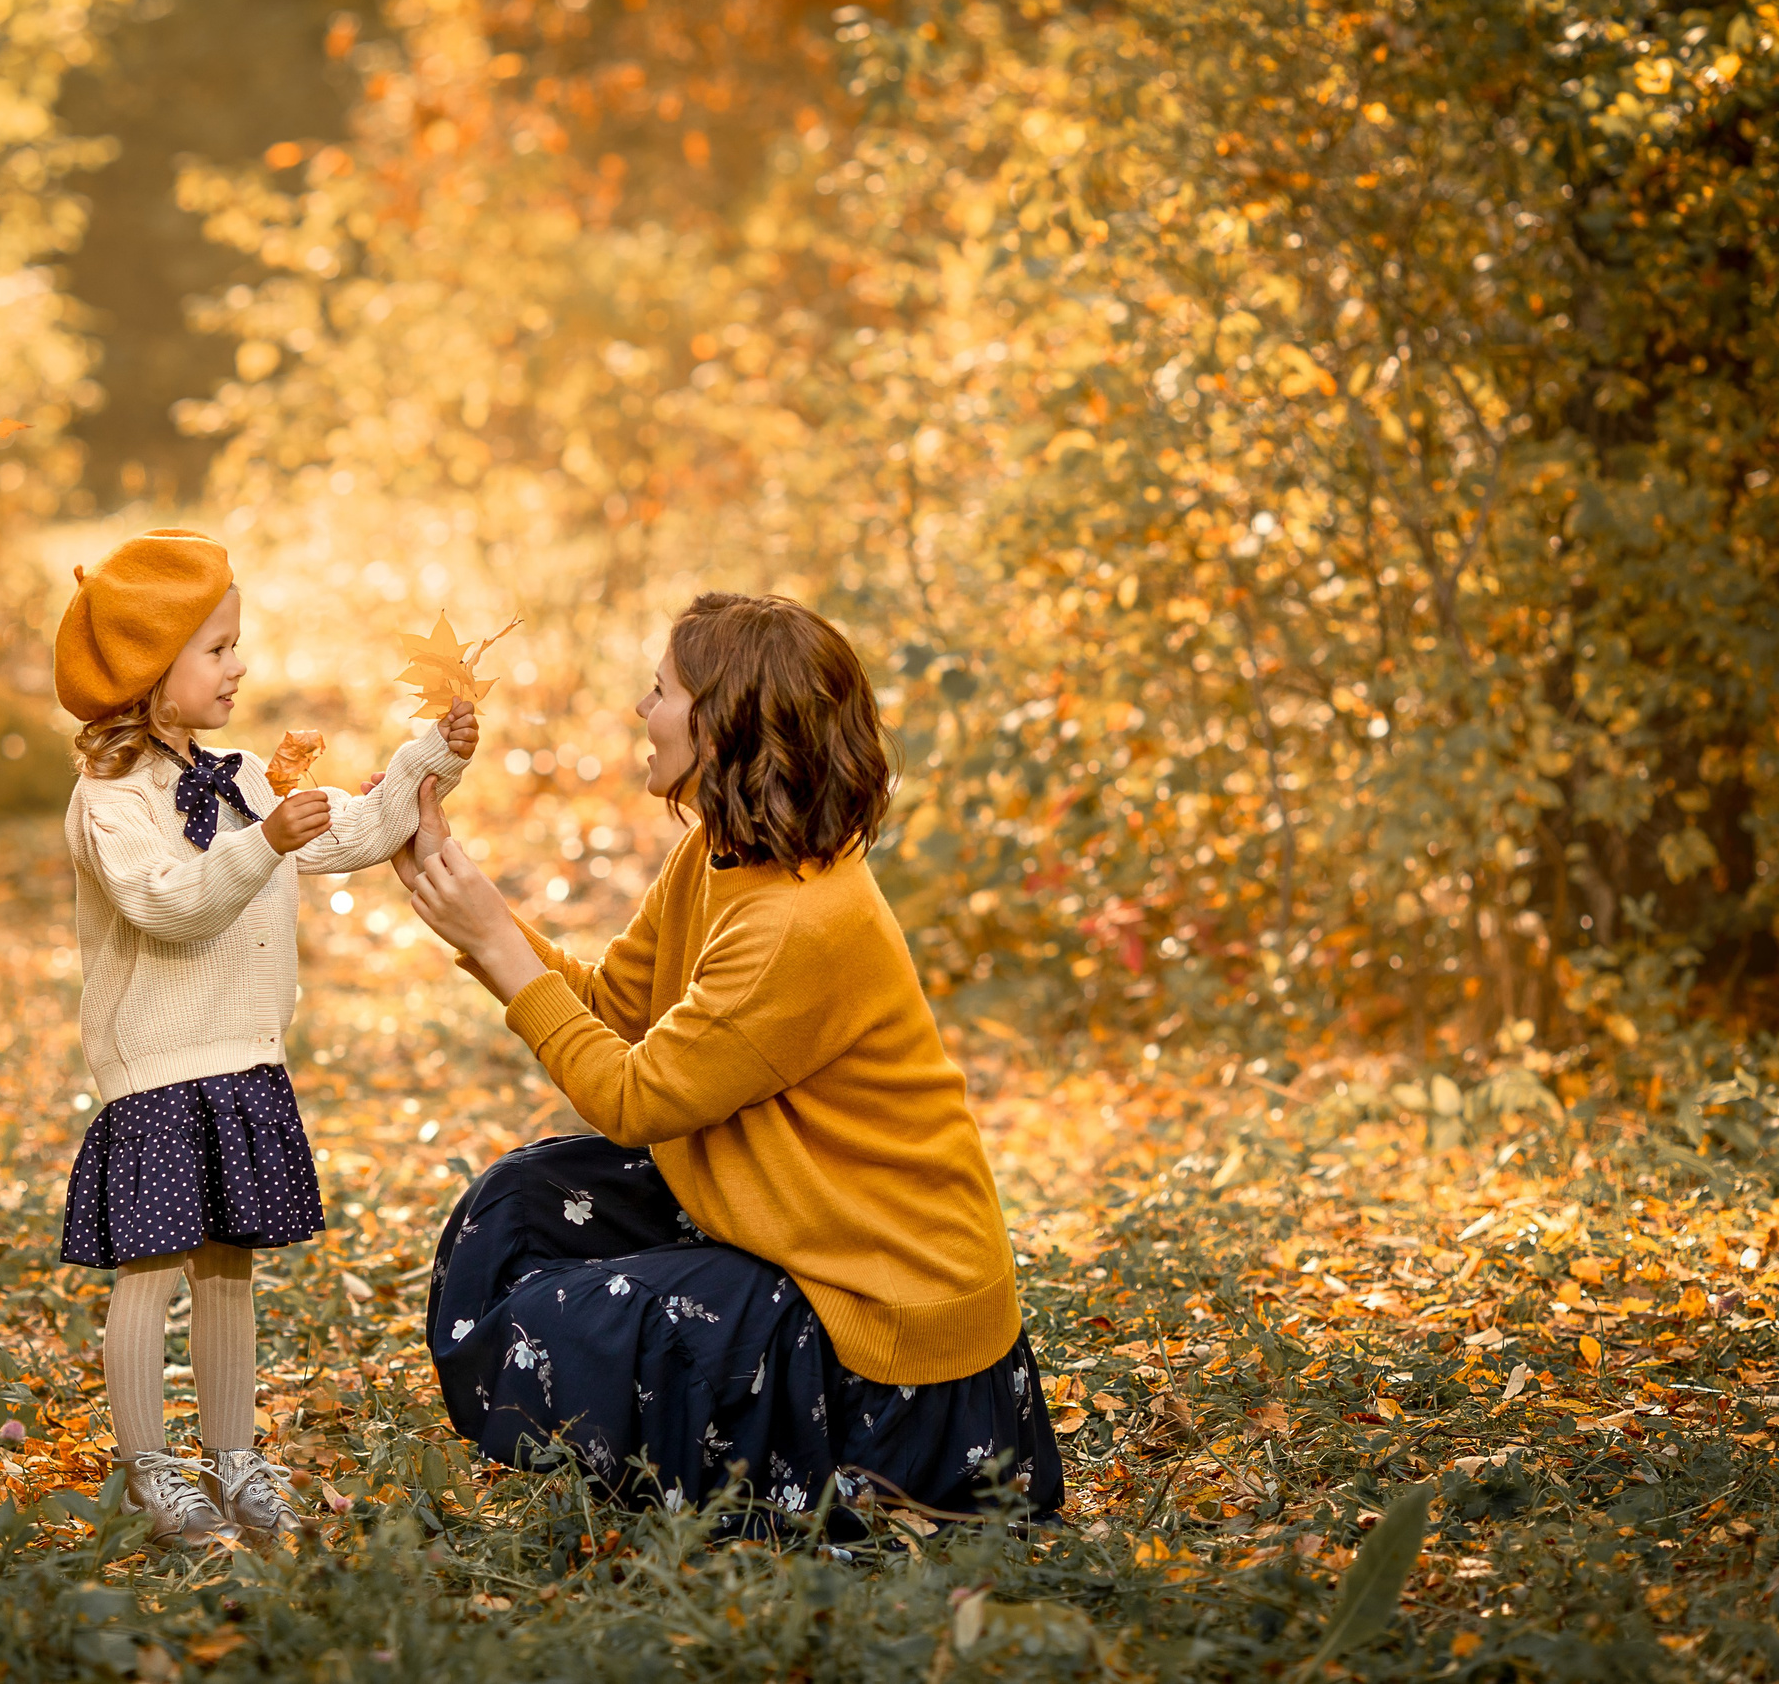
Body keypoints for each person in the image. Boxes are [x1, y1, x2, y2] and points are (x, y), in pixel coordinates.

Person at [395, 591, 1060, 1529]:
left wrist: (500, 949)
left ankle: (758, 1487)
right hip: (792, 1221)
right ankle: (685, 1451)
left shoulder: (802, 922)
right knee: (517, 1205)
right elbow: (617, 1008)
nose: (641, 709)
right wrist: (475, 914)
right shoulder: (723, 847)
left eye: (660, 690)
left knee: (581, 1321)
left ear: (722, 724)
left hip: (883, 1314)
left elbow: (631, 1099)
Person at [52, 526, 479, 1547]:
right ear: (151, 673)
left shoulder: (245, 771)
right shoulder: (110, 798)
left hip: (244, 1059)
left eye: (237, 641)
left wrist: (431, 757)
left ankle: (235, 1456)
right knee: (152, 1271)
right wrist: (261, 842)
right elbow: (166, 904)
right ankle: (155, 1468)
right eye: (216, 647)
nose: (239, 664)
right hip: (158, 1065)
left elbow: (359, 831)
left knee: (229, 1265)